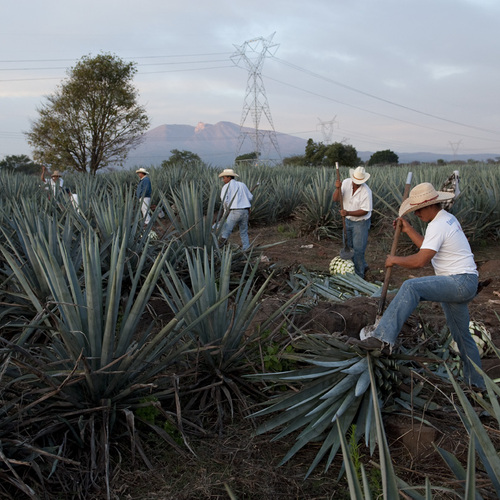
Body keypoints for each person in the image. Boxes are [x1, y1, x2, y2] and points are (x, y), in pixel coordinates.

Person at [348, 182, 484, 390]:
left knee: (411, 287)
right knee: (462, 336)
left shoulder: (438, 224)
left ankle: (382, 338)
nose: (417, 214)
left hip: (459, 282)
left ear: (430, 205)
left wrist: (395, 260)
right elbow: (427, 247)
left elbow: (421, 261)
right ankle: (477, 385)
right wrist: (409, 230)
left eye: (418, 210)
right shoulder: (445, 220)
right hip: (464, 282)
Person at [333, 166, 372, 278]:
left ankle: (360, 276)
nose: (356, 183)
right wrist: (337, 188)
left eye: (359, 182)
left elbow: (365, 211)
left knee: (358, 249)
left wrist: (348, 213)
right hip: (348, 221)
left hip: (360, 223)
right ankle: (358, 268)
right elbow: (335, 199)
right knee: (348, 246)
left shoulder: (366, 191)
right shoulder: (345, 183)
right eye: (355, 181)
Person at [218, 168, 253, 251]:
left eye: (224, 178)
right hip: (245, 211)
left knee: (226, 231)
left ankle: (219, 249)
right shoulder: (242, 185)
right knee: (244, 231)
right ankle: (246, 248)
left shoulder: (226, 187)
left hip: (234, 211)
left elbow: (224, 200)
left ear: (229, 177)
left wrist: (226, 212)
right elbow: (250, 197)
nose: (223, 180)